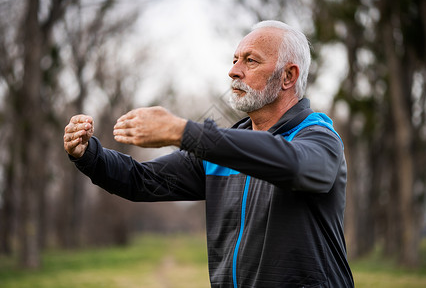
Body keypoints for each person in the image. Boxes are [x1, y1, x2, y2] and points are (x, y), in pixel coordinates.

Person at [63, 20, 354, 287]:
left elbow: (293, 165)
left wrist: (183, 132)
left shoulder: (320, 138)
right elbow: (142, 179)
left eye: (250, 61)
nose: (234, 71)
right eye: (235, 60)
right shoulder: (222, 150)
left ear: (288, 76)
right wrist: (90, 155)